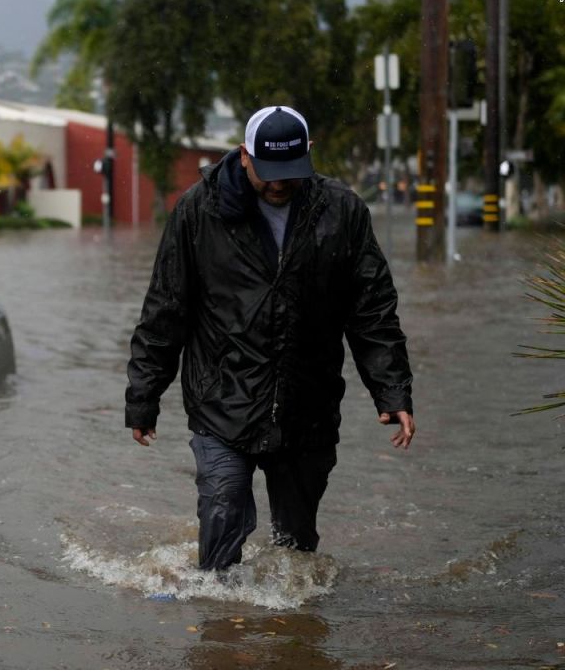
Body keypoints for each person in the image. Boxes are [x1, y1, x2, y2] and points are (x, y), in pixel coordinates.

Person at [125, 105, 416, 572]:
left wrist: (392, 390)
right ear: (244, 155)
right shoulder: (199, 210)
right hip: (222, 397)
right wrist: (143, 397)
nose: (278, 183)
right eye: (268, 172)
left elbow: (372, 311)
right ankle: (218, 623)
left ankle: (292, 635)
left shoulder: (341, 211)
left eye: (290, 171)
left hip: (307, 405)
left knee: (297, 551)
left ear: (309, 154)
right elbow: (166, 309)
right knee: (223, 511)